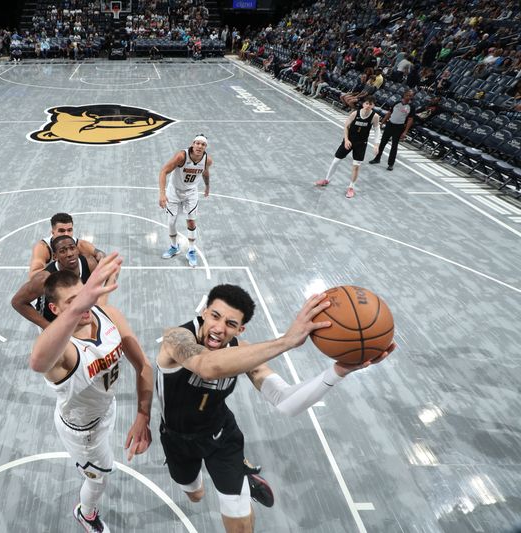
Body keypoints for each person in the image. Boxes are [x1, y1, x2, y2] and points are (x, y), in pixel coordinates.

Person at [156, 284, 395, 533]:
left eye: (230, 323)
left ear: (240, 329)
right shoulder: (176, 339)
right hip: (177, 438)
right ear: (205, 312)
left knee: (239, 526)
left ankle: (240, 479)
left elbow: (286, 402)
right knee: (195, 494)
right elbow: (206, 366)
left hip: (221, 436)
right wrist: (287, 341)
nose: (219, 328)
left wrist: (338, 372)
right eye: (215, 316)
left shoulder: (243, 351)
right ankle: (240, 478)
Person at [29, 253, 153, 533]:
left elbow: (143, 365)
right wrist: (78, 308)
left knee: (102, 469)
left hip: (105, 407)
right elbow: (37, 362)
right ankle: (86, 513)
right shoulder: (63, 352)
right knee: (100, 479)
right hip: (83, 430)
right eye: (71, 303)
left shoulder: (105, 315)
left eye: (81, 295)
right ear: (56, 309)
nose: (82, 306)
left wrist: (143, 414)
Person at [12, 235, 102, 329]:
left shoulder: (89, 263)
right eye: (63, 251)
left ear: (77, 250)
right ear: (55, 256)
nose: (69, 254)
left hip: (79, 317)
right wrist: (48, 327)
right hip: (54, 322)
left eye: (72, 248)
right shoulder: (44, 279)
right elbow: (17, 302)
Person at [158, 135, 213, 267]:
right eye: (197, 143)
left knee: (191, 220)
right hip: (174, 191)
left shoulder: (207, 160)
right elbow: (164, 171)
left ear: (206, 147)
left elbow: (205, 172)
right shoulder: (181, 156)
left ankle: (191, 250)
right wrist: (162, 194)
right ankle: (174, 247)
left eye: (203, 144)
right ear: (193, 144)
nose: (200, 146)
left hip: (191, 192)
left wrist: (207, 186)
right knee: (171, 221)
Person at [315, 95, 381, 198]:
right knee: (336, 161)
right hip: (349, 140)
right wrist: (346, 139)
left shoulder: (375, 117)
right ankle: (326, 180)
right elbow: (346, 126)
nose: (368, 106)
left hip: (361, 143)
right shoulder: (355, 114)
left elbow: (377, 131)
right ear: (363, 104)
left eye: (370, 104)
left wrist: (376, 145)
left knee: (356, 166)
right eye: (367, 103)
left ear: (373, 105)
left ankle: (351, 187)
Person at [28, 213, 105, 279]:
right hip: (51, 285)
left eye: (69, 230)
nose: (66, 234)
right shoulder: (43, 247)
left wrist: (100, 257)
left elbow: (100, 254)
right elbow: (33, 275)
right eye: (61, 231)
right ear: (53, 232)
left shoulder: (80, 244)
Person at [370, 90, 415, 171]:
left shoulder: (411, 107)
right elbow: (389, 113)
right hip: (390, 124)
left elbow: (410, 120)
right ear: (404, 95)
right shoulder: (397, 103)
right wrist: (382, 122)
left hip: (399, 127)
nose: (409, 97)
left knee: (394, 146)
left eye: (410, 96)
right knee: (382, 142)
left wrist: (405, 132)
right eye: (407, 95)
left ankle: (391, 164)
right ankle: (377, 158)